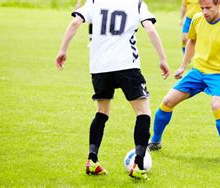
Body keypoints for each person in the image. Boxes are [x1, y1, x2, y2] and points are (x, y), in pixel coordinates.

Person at [55, 0, 170, 180]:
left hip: (99, 67)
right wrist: (162, 59)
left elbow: (76, 21)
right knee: (143, 113)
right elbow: (150, 29)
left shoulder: (95, 1)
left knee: (102, 112)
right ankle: (138, 165)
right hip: (127, 66)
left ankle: (92, 160)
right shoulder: (136, 4)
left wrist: (63, 50)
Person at [147, 0, 220, 163]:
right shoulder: (197, 19)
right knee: (167, 101)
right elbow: (192, 41)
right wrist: (182, 66)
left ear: (218, 4)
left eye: (208, 8)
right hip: (198, 72)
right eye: (202, 8)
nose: (205, 12)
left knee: (217, 105)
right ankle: (155, 141)